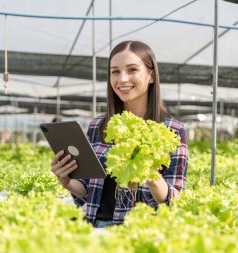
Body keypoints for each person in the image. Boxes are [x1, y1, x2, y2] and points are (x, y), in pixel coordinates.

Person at [50, 40, 189, 228]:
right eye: (115, 71)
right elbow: (90, 192)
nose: (122, 79)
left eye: (132, 70)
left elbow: (176, 200)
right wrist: (66, 181)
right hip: (94, 228)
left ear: (151, 76)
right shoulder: (98, 126)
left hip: (138, 234)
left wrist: (152, 175)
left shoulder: (171, 130)